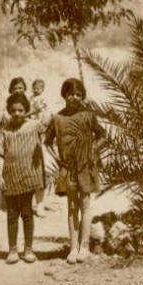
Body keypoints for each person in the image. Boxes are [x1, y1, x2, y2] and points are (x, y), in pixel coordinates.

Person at [45, 78, 105, 264]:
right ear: (64, 95)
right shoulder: (57, 118)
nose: (75, 97)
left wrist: (93, 149)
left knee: (85, 204)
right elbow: (47, 142)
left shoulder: (89, 115)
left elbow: (102, 135)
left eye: (79, 94)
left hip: (86, 167)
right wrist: (57, 159)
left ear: (83, 96)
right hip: (68, 168)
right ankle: (73, 248)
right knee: (72, 207)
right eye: (71, 94)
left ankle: (84, 247)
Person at [0, 91, 45, 264]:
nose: (17, 113)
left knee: (28, 214)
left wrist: (36, 110)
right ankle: (13, 250)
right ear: (9, 110)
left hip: (28, 177)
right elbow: (0, 154)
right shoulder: (4, 130)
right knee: (12, 215)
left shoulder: (33, 126)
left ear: (26, 111)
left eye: (21, 110)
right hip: (10, 177)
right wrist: (0, 176)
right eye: (14, 110)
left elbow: (47, 122)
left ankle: (28, 250)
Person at [29, 79, 50, 218]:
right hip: (32, 128)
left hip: (42, 129)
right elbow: (29, 112)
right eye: (35, 88)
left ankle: (41, 205)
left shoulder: (43, 99)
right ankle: (33, 205)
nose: (37, 90)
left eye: (39, 88)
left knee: (44, 172)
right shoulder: (30, 99)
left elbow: (45, 112)